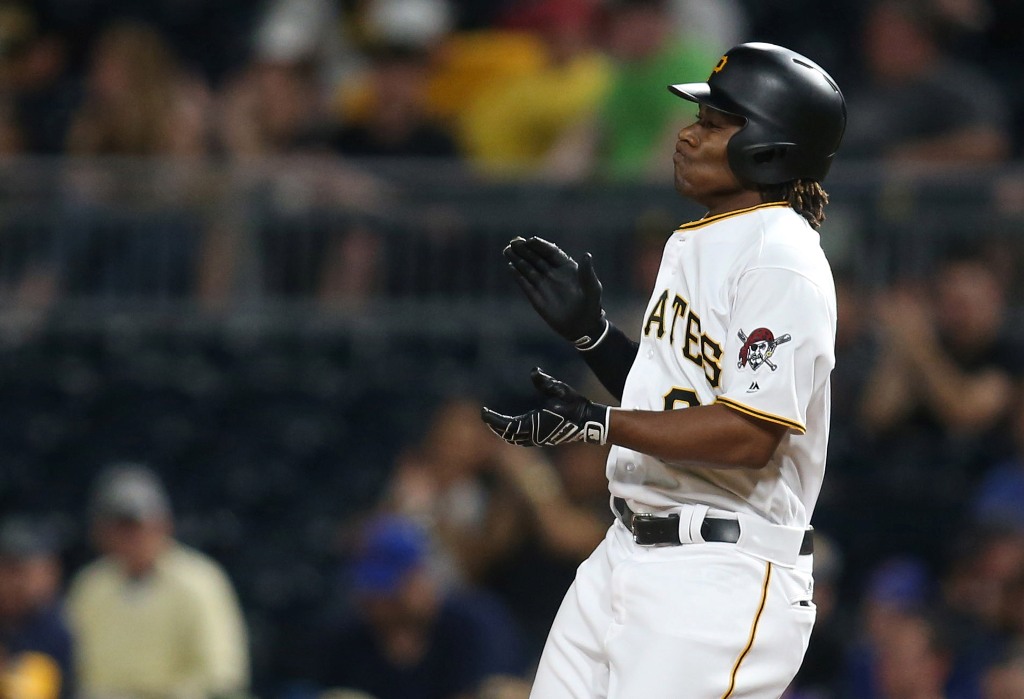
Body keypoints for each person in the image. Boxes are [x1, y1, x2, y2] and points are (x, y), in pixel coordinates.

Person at [480, 41, 846, 697]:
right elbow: (673, 401)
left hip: (719, 575)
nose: (687, 134)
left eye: (712, 124)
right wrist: (594, 338)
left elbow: (747, 434)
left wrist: (596, 424)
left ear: (767, 146)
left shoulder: (782, 257)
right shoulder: (703, 239)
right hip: (628, 550)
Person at [66, 464, 250, 699]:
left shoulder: (199, 581)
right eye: (119, 527)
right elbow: (76, 667)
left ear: (162, 524)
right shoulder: (91, 586)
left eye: (136, 526)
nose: (129, 538)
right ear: (101, 533)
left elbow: (221, 672)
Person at [306, 514, 527, 699]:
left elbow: (501, 689)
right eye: (371, 590)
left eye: (390, 591)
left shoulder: (474, 622)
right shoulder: (347, 639)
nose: (377, 602)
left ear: (421, 579)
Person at [0, 516, 74, 699]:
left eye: (23, 570)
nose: (15, 583)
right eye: (8, 569)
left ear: (51, 573)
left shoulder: (60, 627)